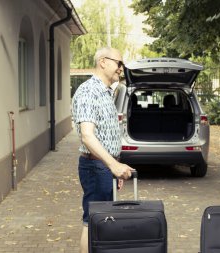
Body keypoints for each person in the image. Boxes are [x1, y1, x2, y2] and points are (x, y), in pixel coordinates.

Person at [71, 47, 134, 253]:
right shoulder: (89, 91)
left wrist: (114, 166)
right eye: (119, 63)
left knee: (102, 221)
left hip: (104, 168)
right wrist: (113, 164)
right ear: (103, 62)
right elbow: (87, 136)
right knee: (92, 221)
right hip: (96, 167)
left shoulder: (106, 92)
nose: (121, 69)